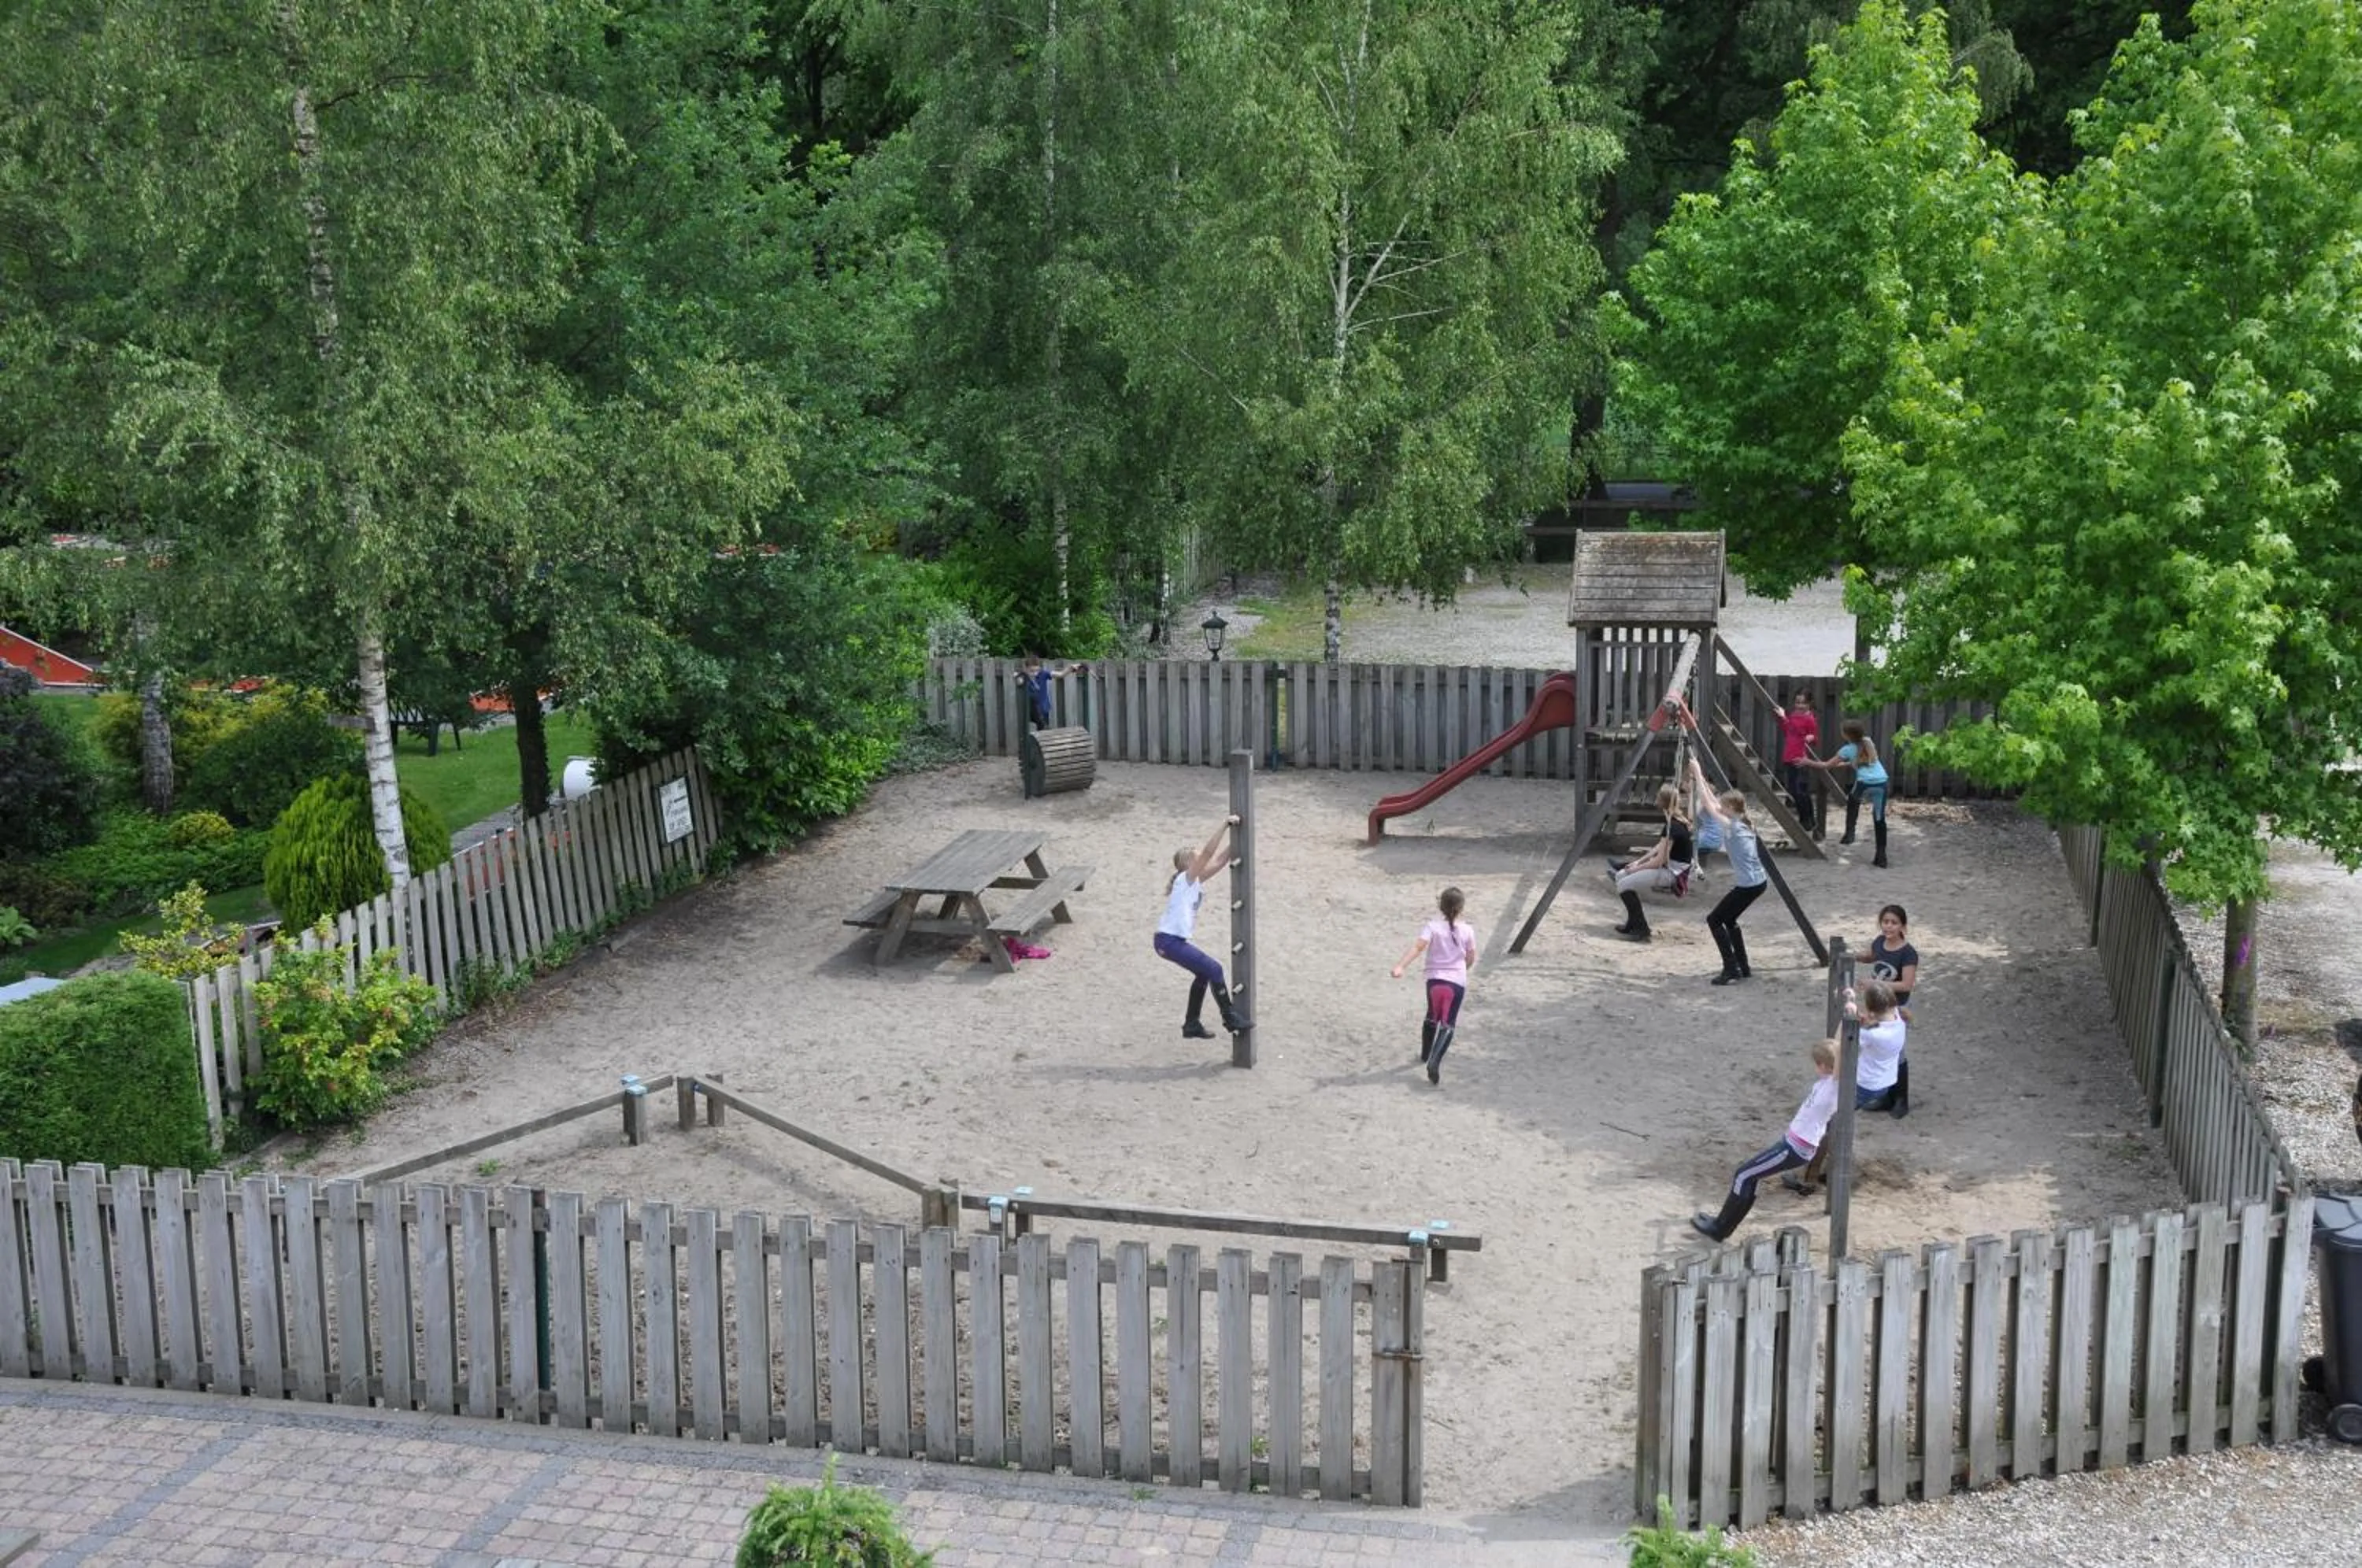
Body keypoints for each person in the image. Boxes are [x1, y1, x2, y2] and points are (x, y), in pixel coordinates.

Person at [1693, 1037, 1840, 1241]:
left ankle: (1720, 1229)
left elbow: (1841, 1061)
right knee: (1748, 1176)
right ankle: (1721, 1225)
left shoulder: (1834, 1085)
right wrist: (1848, 1013)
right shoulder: (1828, 1082)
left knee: (1744, 1176)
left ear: (1824, 1065)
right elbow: (1841, 1047)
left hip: (1794, 1148)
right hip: (1794, 1143)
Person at [1785, 981, 1908, 1195]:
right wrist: (1853, 1001)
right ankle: (1832, 1170)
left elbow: (1839, 1046)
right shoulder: (1897, 1017)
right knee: (1835, 1122)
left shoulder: (1873, 1035)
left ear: (1871, 1009)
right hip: (1883, 1081)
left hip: (1862, 1085)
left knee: (1826, 1124)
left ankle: (1808, 1180)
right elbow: (1875, 1013)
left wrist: (1848, 1017)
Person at [1155, 816, 1249, 1039]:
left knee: (1203, 974)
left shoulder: (1194, 881)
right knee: (1215, 969)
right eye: (1197, 856)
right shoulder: (1184, 879)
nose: (1202, 858)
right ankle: (1230, 1017)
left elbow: (1219, 860)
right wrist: (1225, 825)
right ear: (1189, 863)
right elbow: (1209, 854)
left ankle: (1191, 1024)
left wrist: (1240, 835)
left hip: (1171, 942)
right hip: (1168, 941)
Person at [1689, 758, 1767, 986]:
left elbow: (1708, 802)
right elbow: (1713, 801)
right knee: (1729, 920)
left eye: (1724, 806)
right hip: (1756, 883)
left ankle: (1731, 969)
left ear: (1731, 809)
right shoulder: (1741, 821)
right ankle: (1743, 966)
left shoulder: (1731, 827)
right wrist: (1700, 777)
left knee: (1714, 919)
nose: (1720, 808)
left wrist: (1697, 770)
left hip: (1749, 885)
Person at [1391, 887, 1478, 1084]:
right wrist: (1463, 969)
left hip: (1434, 981)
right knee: (1448, 1022)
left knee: (1432, 1015)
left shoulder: (1432, 926)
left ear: (1441, 906)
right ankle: (1435, 1060)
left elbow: (1418, 947)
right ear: (1461, 907)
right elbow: (1471, 957)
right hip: (1456, 982)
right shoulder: (1468, 930)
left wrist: (1400, 966)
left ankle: (1424, 1054)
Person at [1605, 785, 1693, 941]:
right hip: (1669, 866)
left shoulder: (1673, 826)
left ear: (1661, 802)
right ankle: (1633, 922)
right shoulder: (1676, 820)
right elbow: (1659, 847)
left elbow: (1659, 861)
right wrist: (1637, 861)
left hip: (1673, 873)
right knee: (1620, 876)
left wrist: (1637, 869)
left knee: (1623, 884)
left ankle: (1642, 928)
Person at [1805, 719, 1890, 867]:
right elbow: (1863, 762)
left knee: (1852, 801)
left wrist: (1807, 762)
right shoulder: (1868, 742)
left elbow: (1826, 765)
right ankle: (1881, 857)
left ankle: (1850, 833)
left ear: (1846, 735)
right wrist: (1845, 764)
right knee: (1879, 819)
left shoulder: (1847, 750)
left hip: (1864, 782)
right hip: (1881, 782)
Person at [1867, 903, 1918, 1110]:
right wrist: (1854, 956)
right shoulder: (1880, 942)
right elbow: (1872, 955)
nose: (1888, 927)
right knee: (1881, 1050)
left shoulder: (1908, 953)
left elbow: (1906, 984)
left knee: (1897, 1052)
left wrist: (1876, 984)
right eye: (1885, 922)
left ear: (1902, 927)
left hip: (1898, 1007)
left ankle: (1901, 1100)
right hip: (1878, 1006)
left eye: (1894, 923)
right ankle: (1887, 1096)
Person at [1778, 694, 1821, 834]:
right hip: (1789, 757)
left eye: (1803, 703)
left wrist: (1811, 737)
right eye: (1797, 702)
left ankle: (1808, 820)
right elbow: (1787, 730)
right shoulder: (1793, 716)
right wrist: (1783, 716)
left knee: (1800, 790)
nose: (1800, 706)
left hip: (1800, 759)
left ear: (1809, 704)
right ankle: (1807, 819)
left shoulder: (1810, 719)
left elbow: (1815, 738)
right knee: (1794, 790)